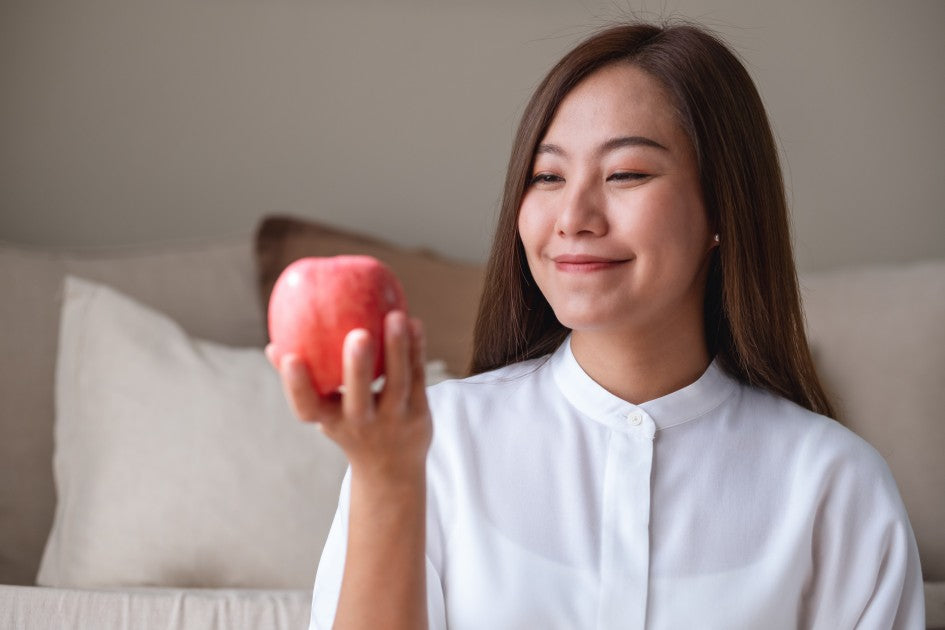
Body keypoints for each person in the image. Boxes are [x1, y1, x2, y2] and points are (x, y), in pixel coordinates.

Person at [266, 20, 925, 630]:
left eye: (625, 173)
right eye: (547, 175)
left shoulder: (835, 486)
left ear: (722, 207)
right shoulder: (432, 446)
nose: (573, 217)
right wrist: (386, 481)